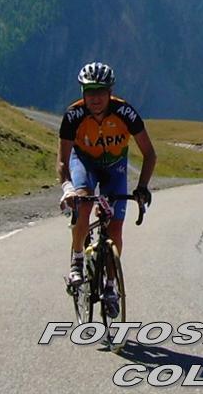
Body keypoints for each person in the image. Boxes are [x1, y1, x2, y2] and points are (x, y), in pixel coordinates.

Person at [57, 61, 156, 316]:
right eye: (90, 92)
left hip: (115, 167)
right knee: (83, 201)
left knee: (115, 228)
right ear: (82, 93)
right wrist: (68, 188)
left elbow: (149, 154)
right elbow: (61, 160)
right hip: (84, 162)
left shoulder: (126, 113)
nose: (96, 98)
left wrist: (142, 187)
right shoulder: (73, 116)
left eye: (101, 91)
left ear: (110, 92)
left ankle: (111, 287)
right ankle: (77, 259)